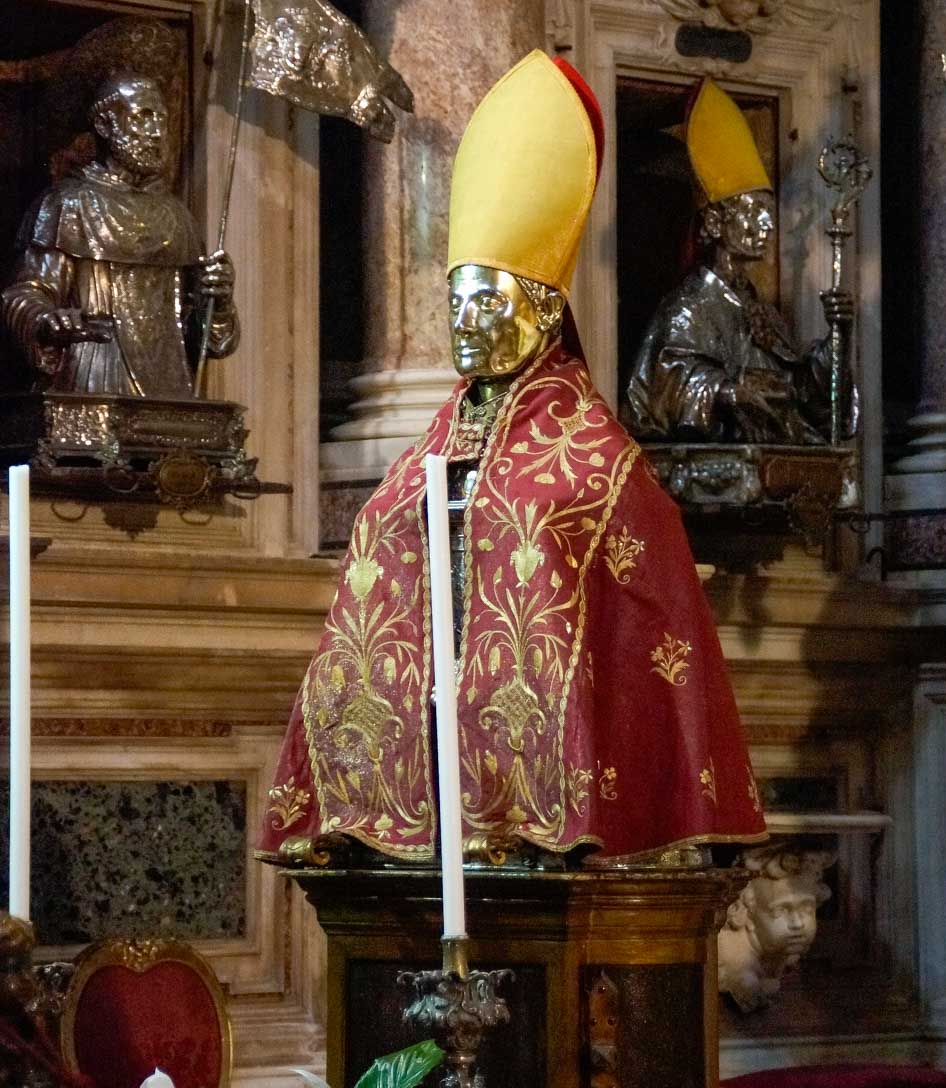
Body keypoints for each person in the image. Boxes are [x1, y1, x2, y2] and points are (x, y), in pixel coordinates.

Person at [257, 51, 766, 867]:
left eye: (485, 298)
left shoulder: (596, 462)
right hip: (419, 803)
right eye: (454, 299)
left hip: (548, 840)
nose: (464, 322)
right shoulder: (433, 445)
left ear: (540, 309)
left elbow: (650, 610)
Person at [625, 78, 855, 445]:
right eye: (753, 211)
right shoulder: (690, 307)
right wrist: (729, 392)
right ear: (715, 222)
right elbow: (662, 387)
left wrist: (839, 336)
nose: (767, 224)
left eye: (768, 212)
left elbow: (804, 395)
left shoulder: (761, 310)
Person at [3, 74, 237, 398]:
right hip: (90, 387)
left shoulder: (177, 218)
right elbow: (25, 294)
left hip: (169, 401)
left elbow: (202, 342)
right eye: (144, 117)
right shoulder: (69, 205)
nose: (157, 133)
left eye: (162, 120)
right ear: (104, 124)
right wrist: (47, 319)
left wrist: (219, 304)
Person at [718, 845, 834, 1012]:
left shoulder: (781, 948)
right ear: (747, 911)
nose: (798, 923)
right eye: (781, 910)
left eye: (807, 908)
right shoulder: (733, 961)